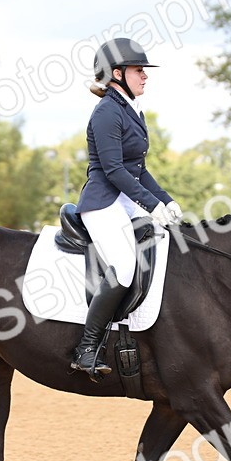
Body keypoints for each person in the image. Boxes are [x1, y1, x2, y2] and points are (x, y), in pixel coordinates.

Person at [69, 38, 182, 378]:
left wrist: (165, 199)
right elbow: (115, 170)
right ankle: (87, 349)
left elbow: (139, 170)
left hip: (125, 201)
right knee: (123, 266)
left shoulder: (130, 110)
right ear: (117, 74)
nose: (145, 76)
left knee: (165, 244)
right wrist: (150, 204)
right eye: (138, 70)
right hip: (103, 202)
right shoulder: (106, 113)